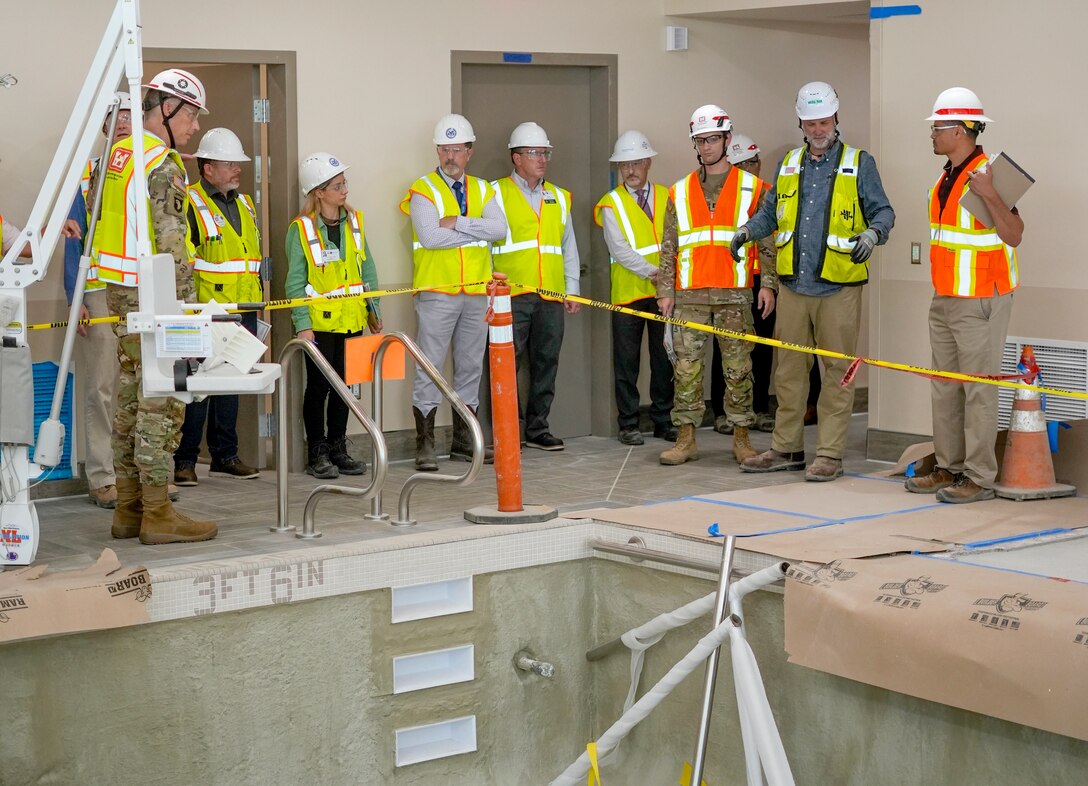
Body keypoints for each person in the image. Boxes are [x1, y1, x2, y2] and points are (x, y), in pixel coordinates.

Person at [735, 81, 895, 481]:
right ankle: (786, 448)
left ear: (836, 119)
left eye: (824, 122)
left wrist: (873, 234)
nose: (818, 130)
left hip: (838, 287)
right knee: (787, 372)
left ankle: (829, 454)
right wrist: (747, 232)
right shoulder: (788, 163)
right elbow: (770, 214)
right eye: (810, 124)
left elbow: (884, 212)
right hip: (793, 287)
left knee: (836, 373)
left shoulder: (860, 162)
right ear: (801, 124)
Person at [90, 68, 217, 544]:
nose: (195, 128)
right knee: (160, 402)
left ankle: (128, 510)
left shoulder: (117, 155)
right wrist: (187, 311)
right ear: (168, 109)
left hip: (119, 293)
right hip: (155, 294)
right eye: (192, 116)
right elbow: (171, 243)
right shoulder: (161, 162)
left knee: (128, 395)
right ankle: (159, 514)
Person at [905, 87, 1022, 504]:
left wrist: (989, 192)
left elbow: (1014, 234)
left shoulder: (991, 173)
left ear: (960, 130)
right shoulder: (945, 177)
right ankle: (950, 467)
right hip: (947, 297)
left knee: (978, 389)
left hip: (981, 299)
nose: (933, 134)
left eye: (938, 127)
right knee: (946, 386)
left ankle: (978, 476)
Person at [656, 104, 775, 466]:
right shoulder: (679, 191)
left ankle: (741, 437)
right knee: (686, 369)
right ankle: (686, 438)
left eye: (712, 139)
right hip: (689, 294)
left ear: (727, 139)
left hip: (735, 294)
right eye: (700, 140)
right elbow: (669, 245)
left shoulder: (755, 188)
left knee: (738, 369)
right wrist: (665, 291)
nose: (705, 146)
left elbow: (767, 240)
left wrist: (768, 283)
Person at [401, 114, 506, 470]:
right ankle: (425, 444)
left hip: (477, 293)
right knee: (430, 368)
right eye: (444, 149)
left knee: (470, 368)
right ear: (437, 150)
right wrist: (479, 231)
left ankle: (464, 441)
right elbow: (430, 237)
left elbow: (500, 230)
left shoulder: (484, 189)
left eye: (457, 149)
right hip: (438, 293)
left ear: (469, 152)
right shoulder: (422, 189)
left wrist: (459, 223)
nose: (450, 156)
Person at [173, 128, 263, 487]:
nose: (237, 169)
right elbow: (183, 258)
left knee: (232, 384)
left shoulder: (245, 204)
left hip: (243, 309)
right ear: (208, 168)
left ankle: (226, 455)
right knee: (197, 389)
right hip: (205, 313)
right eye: (230, 164)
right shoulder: (189, 202)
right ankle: (185, 460)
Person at [287, 152, 380, 479]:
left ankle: (339, 448)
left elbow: (367, 268)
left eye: (344, 184)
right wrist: (303, 325)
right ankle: (318, 451)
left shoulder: (355, 223)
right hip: (320, 326)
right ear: (318, 192)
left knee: (346, 387)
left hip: (352, 320)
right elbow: (295, 282)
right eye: (338, 185)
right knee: (318, 389)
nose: (345, 191)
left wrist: (374, 310)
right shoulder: (300, 230)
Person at [491, 122, 580, 451]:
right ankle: (508, 430)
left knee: (546, 362)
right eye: (535, 153)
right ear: (516, 158)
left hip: (552, 295)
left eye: (545, 153)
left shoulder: (558, 196)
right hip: (509, 296)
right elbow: (485, 244)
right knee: (507, 365)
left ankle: (538, 428)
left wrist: (572, 287)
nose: (542, 159)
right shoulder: (494, 193)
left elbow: (567, 245)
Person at [62, 92, 129, 509]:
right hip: (101, 292)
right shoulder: (88, 174)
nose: (123, 122)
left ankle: (139, 478)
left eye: (129, 115)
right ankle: (103, 476)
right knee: (103, 387)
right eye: (115, 116)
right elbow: (72, 241)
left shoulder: (150, 168)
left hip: (140, 294)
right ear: (103, 125)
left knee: (138, 388)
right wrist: (77, 297)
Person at [594, 130, 675, 446]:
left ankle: (663, 420)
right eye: (624, 164)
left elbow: (679, 239)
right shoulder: (611, 203)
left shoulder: (669, 196)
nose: (631, 170)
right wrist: (656, 272)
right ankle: (628, 423)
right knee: (626, 363)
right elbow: (620, 250)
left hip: (664, 295)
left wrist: (665, 278)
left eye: (637, 162)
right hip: (628, 293)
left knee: (664, 357)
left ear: (649, 163)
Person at [708, 133, 785, 436]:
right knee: (724, 346)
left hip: (762, 282)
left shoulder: (769, 192)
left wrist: (770, 282)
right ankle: (723, 411)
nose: (749, 167)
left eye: (753, 161)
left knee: (763, 346)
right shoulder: (723, 195)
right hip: (730, 280)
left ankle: (761, 408)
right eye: (741, 163)